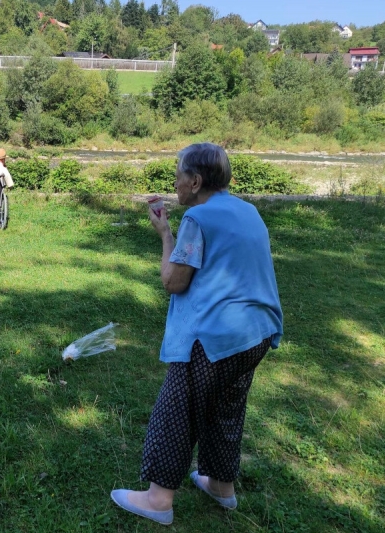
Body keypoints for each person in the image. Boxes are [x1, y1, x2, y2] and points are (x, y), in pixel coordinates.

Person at [111, 143, 284, 526]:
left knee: (178, 409)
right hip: (255, 334)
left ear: (195, 180)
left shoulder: (199, 219)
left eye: (178, 175)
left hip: (215, 338)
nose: (175, 182)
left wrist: (165, 234)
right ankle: (222, 487)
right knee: (226, 406)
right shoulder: (248, 210)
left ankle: (158, 500)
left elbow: (174, 281)